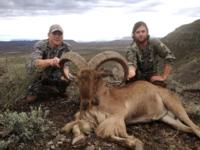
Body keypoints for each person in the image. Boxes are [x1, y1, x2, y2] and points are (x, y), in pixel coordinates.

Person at [26, 24, 72, 102]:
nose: (57, 36)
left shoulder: (66, 47)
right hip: (41, 70)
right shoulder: (40, 45)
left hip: (55, 71)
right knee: (32, 68)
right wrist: (51, 61)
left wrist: (65, 75)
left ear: (62, 36)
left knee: (68, 77)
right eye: (54, 34)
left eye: (60, 34)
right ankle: (32, 91)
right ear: (48, 35)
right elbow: (35, 62)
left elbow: (66, 65)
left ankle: (61, 90)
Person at [126, 21, 176, 86]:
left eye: (143, 31)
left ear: (147, 32)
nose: (140, 34)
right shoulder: (131, 48)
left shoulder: (155, 43)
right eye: (137, 32)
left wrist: (164, 76)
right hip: (137, 78)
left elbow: (170, 56)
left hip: (153, 77)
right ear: (134, 34)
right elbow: (131, 63)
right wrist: (131, 71)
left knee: (162, 88)